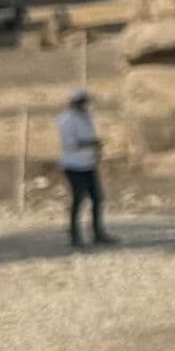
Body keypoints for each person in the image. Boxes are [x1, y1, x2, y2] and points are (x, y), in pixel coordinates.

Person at [56, 88, 115, 249]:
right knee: (78, 199)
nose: (85, 104)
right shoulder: (66, 120)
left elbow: (90, 137)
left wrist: (96, 150)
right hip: (73, 165)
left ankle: (98, 233)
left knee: (97, 199)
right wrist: (91, 143)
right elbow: (69, 145)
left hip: (88, 164)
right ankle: (75, 235)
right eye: (83, 101)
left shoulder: (86, 116)